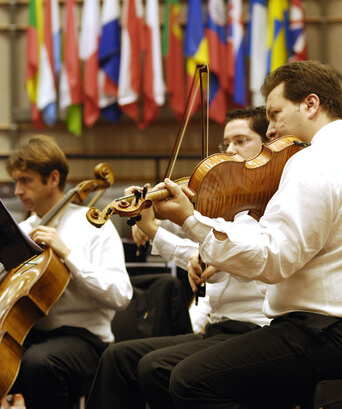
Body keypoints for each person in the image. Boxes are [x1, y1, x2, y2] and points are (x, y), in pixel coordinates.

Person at [150, 60, 342, 409]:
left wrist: (192, 220)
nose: (271, 129)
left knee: (189, 380)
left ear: (310, 105)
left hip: (321, 331)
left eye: (275, 113)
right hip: (325, 329)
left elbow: (274, 259)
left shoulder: (313, 160)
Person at [85, 106, 270, 409]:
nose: (229, 152)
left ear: (266, 147)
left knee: (155, 367)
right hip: (218, 328)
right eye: (226, 144)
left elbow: (226, 260)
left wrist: (160, 232)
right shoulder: (229, 206)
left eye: (241, 141)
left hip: (252, 330)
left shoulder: (266, 205)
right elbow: (207, 257)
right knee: (118, 357)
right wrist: (151, 226)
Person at [5, 135, 133, 409]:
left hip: (85, 339)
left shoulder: (93, 226)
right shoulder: (23, 231)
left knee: (38, 364)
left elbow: (120, 295)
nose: (17, 191)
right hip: (28, 335)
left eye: (25, 180)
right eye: (16, 181)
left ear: (52, 179)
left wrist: (68, 255)